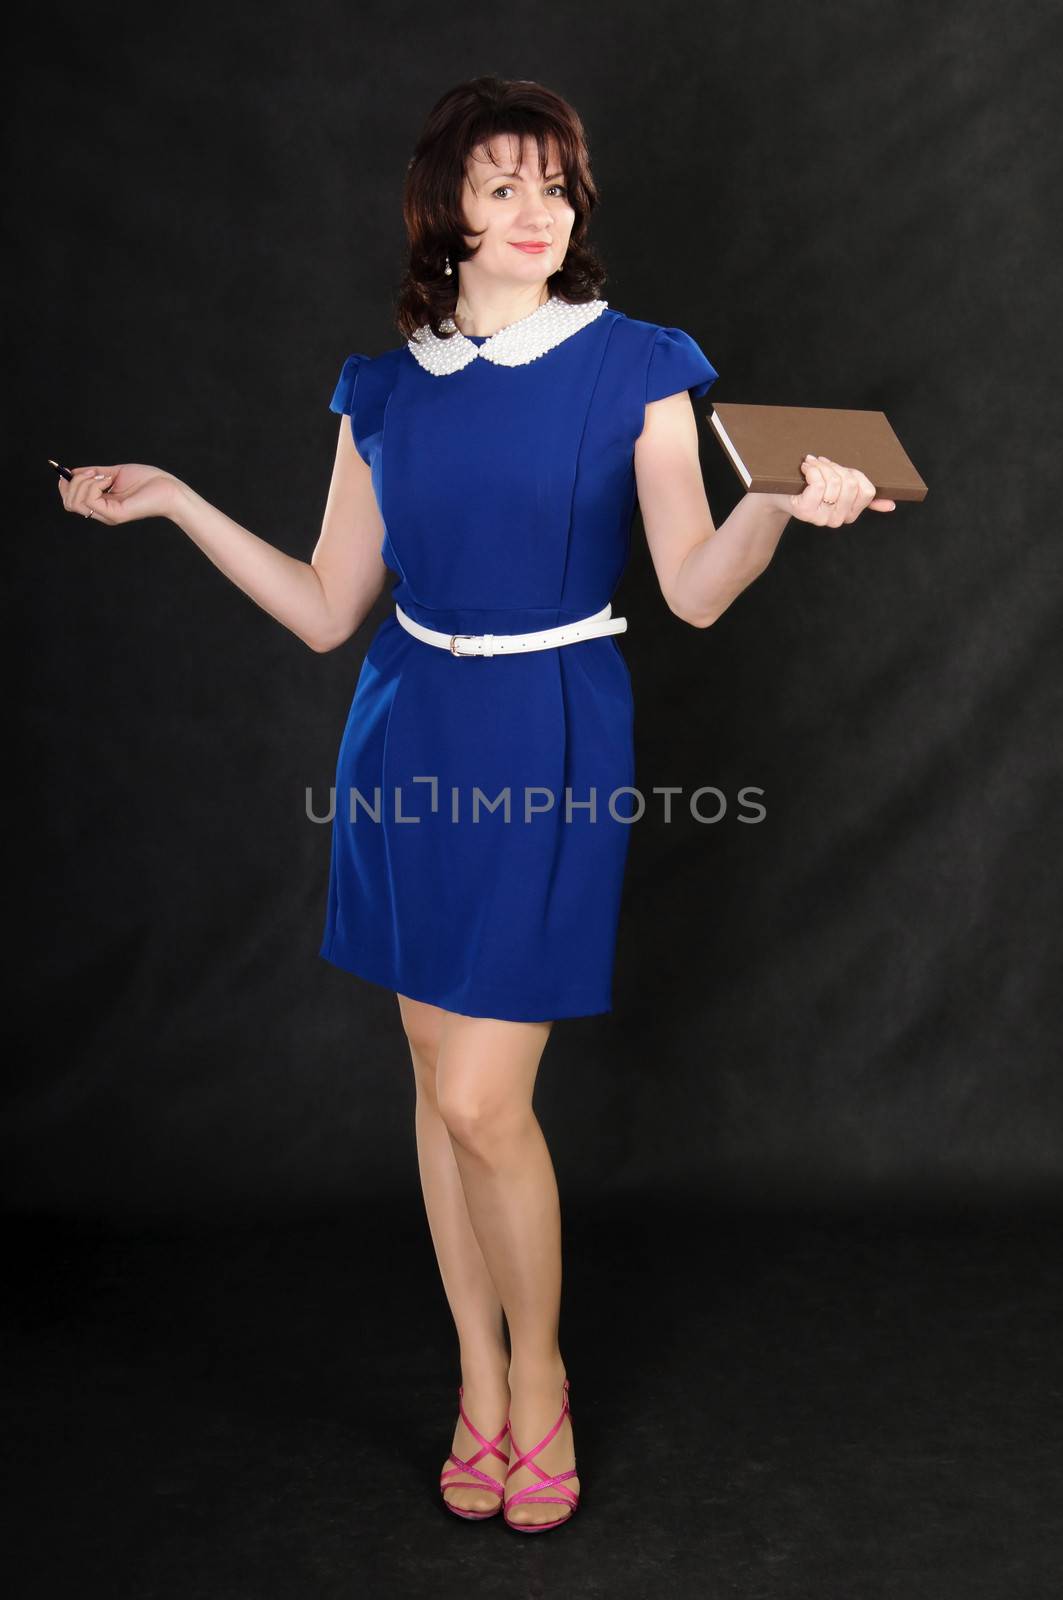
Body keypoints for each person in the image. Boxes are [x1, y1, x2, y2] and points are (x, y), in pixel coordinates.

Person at [57, 74, 896, 1533]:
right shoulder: (377, 385)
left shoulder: (637, 362)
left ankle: (546, 1378)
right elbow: (329, 608)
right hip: (408, 731)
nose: (536, 211)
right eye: (504, 183)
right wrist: (183, 502)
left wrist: (774, 501)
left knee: (480, 1095)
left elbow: (694, 589)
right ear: (443, 202)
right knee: (433, 1094)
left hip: (553, 727)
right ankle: (479, 1385)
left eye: (556, 186)